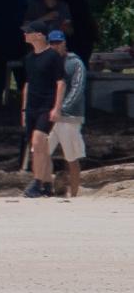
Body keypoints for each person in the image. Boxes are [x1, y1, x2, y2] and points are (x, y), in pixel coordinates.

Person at [20, 20, 66, 198]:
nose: (25, 34)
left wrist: (57, 107)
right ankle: (47, 183)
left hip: (47, 106)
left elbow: (60, 83)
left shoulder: (53, 56)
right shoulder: (29, 58)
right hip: (32, 106)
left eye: (28, 32)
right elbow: (28, 84)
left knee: (39, 141)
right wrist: (23, 110)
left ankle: (37, 182)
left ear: (39, 35)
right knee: (39, 147)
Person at [46, 30, 87, 197]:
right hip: (49, 116)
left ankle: (75, 193)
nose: (56, 46)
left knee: (71, 156)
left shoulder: (75, 63)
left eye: (58, 42)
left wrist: (61, 108)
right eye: (53, 43)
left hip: (69, 117)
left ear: (64, 43)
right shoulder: (49, 62)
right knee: (42, 152)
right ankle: (45, 187)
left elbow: (77, 88)